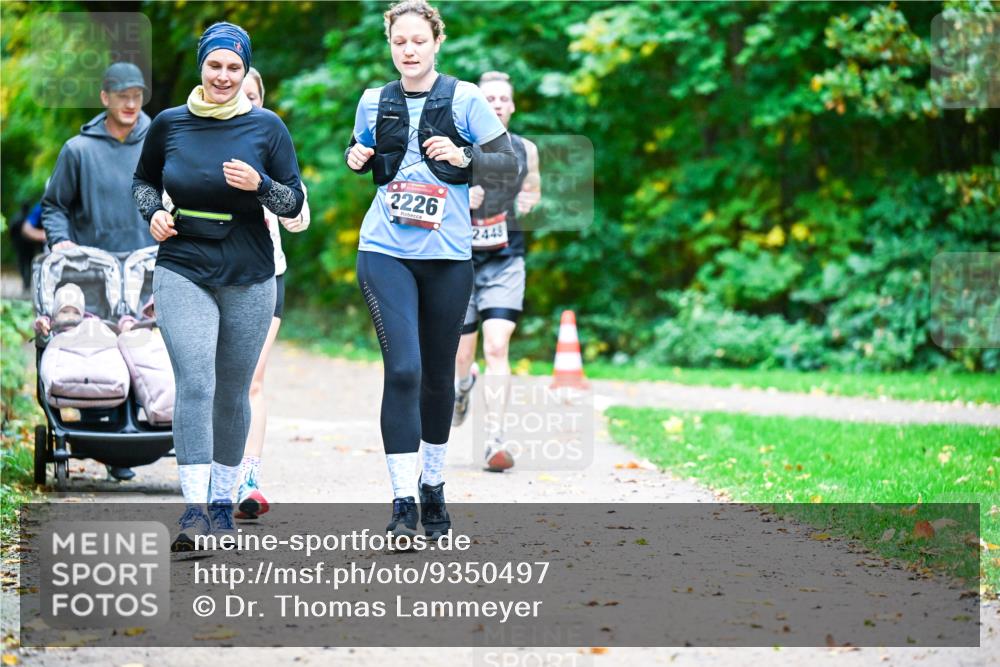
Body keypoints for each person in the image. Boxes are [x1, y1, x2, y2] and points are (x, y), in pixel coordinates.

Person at [346, 0, 516, 540]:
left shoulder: (465, 99)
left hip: (447, 258)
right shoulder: (374, 101)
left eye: (419, 40)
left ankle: (433, 485)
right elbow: (364, 152)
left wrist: (466, 158)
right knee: (403, 371)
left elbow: (507, 163)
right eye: (400, 42)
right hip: (384, 251)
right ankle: (401, 501)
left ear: (436, 42)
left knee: (440, 378)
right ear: (390, 45)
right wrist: (356, 156)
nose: (409, 50)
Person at [132, 22, 304, 551]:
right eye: (215, 65)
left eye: (233, 67)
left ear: (243, 70)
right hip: (183, 264)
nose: (224, 76)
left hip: (250, 273)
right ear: (201, 67)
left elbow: (295, 204)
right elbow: (143, 182)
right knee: (197, 383)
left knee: (232, 390)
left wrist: (263, 186)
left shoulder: (268, 127)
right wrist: (154, 215)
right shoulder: (170, 124)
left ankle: (223, 507)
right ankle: (192, 512)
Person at [42, 61, 156, 482]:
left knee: (148, 357)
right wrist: (64, 243)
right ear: (105, 98)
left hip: (149, 271)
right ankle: (113, 446)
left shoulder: (157, 143)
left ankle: (156, 432)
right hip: (94, 275)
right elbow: (54, 206)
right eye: (122, 95)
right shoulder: (78, 150)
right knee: (103, 359)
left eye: (137, 95)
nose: (130, 103)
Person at [451, 71, 541, 472]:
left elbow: (533, 189)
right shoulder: (457, 148)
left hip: (506, 259)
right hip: (460, 261)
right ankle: (463, 386)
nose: (497, 104)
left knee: (498, 347)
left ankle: (494, 440)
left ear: (513, 106)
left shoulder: (526, 149)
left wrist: (528, 201)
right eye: (489, 98)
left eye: (504, 98)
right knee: (463, 354)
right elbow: (434, 197)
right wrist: (461, 198)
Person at [234, 67, 311, 521]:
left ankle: (249, 479)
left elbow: (300, 217)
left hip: (267, 275)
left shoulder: (273, 144)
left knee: (252, 380)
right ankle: (212, 475)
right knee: (214, 384)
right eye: (239, 95)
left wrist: (265, 186)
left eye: (253, 95)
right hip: (209, 278)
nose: (247, 103)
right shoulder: (199, 139)